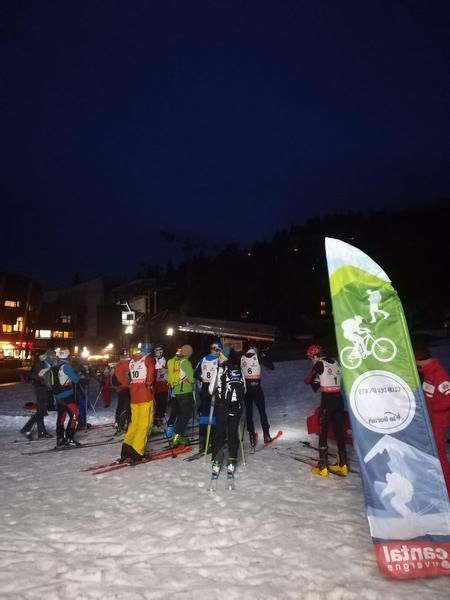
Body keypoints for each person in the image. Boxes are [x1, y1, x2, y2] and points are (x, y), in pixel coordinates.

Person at [304, 344, 348, 477]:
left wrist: (315, 380)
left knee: (322, 433)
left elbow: (308, 380)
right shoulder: (335, 362)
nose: (311, 361)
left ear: (314, 356)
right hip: (339, 401)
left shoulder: (319, 364)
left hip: (327, 402)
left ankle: (322, 467)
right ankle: (343, 464)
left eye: (311, 358)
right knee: (339, 432)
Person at [415, 347, 450, 497]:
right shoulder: (427, 373)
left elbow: (448, 399)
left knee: (439, 456)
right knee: (432, 455)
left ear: (419, 360)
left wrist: (433, 409)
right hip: (430, 421)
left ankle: (447, 489)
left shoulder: (439, 375)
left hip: (438, 422)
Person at [115, 343, 155, 463]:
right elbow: (151, 372)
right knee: (144, 425)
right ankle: (137, 452)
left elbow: (118, 370)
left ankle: (126, 450)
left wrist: (125, 382)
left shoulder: (132, 361)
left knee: (134, 424)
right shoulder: (148, 359)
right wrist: (148, 383)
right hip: (145, 396)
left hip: (134, 396)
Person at [210, 354, 245, 483]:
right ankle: (232, 461)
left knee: (219, 433)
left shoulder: (219, 371)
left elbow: (210, 390)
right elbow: (244, 390)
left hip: (221, 407)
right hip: (235, 408)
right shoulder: (239, 372)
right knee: (232, 433)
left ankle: (217, 461)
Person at [195, 340, 228, 452]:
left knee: (205, 414)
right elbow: (226, 370)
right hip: (215, 388)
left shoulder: (203, 359)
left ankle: (203, 443)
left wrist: (202, 378)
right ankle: (213, 441)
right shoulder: (220, 360)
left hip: (205, 388)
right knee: (215, 414)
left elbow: (196, 373)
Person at [240, 343, 274, 446]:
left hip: (246, 389)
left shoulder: (241, 358)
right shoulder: (257, 356)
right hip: (256, 387)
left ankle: (251, 436)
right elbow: (271, 366)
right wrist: (264, 355)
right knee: (262, 411)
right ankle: (266, 435)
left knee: (249, 413)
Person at [20, 350, 54, 440]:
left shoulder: (44, 363)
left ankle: (42, 432)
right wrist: (46, 384)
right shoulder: (44, 364)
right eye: (52, 355)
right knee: (42, 411)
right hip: (41, 389)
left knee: (41, 410)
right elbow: (39, 376)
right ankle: (26, 428)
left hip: (41, 388)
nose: (53, 357)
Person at [50, 348, 80, 447]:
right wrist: (78, 374)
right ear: (68, 356)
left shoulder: (55, 365)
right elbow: (76, 380)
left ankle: (60, 439)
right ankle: (69, 438)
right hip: (66, 394)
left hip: (57, 395)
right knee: (74, 415)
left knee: (61, 416)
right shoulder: (66, 366)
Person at [167, 344, 195, 447]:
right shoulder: (186, 363)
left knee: (181, 415)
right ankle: (176, 438)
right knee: (185, 416)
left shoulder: (175, 362)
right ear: (189, 353)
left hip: (177, 392)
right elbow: (191, 379)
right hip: (186, 392)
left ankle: (180, 436)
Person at [112, 350, 131, 432]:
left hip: (122, 390)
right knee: (126, 407)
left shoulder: (117, 367)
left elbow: (114, 381)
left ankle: (119, 422)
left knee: (121, 406)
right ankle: (123, 423)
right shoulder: (126, 367)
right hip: (125, 389)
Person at [153, 345, 169, 430]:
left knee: (162, 404)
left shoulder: (166, 361)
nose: (157, 352)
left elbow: (168, 371)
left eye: (159, 351)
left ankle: (160, 420)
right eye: (156, 351)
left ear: (162, 352)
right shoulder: (153, 361)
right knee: (156, 405)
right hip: (155, 387)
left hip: (163, 387)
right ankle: (156, 421)